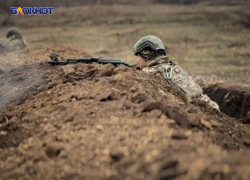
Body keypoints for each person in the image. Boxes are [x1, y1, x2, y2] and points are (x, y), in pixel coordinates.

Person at [133, 35, 220, 111]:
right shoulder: (171, 66)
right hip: (210, 104)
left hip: (200, 109)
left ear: (146, 54)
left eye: (138, 55)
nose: (137, 59)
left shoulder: (152, 71)